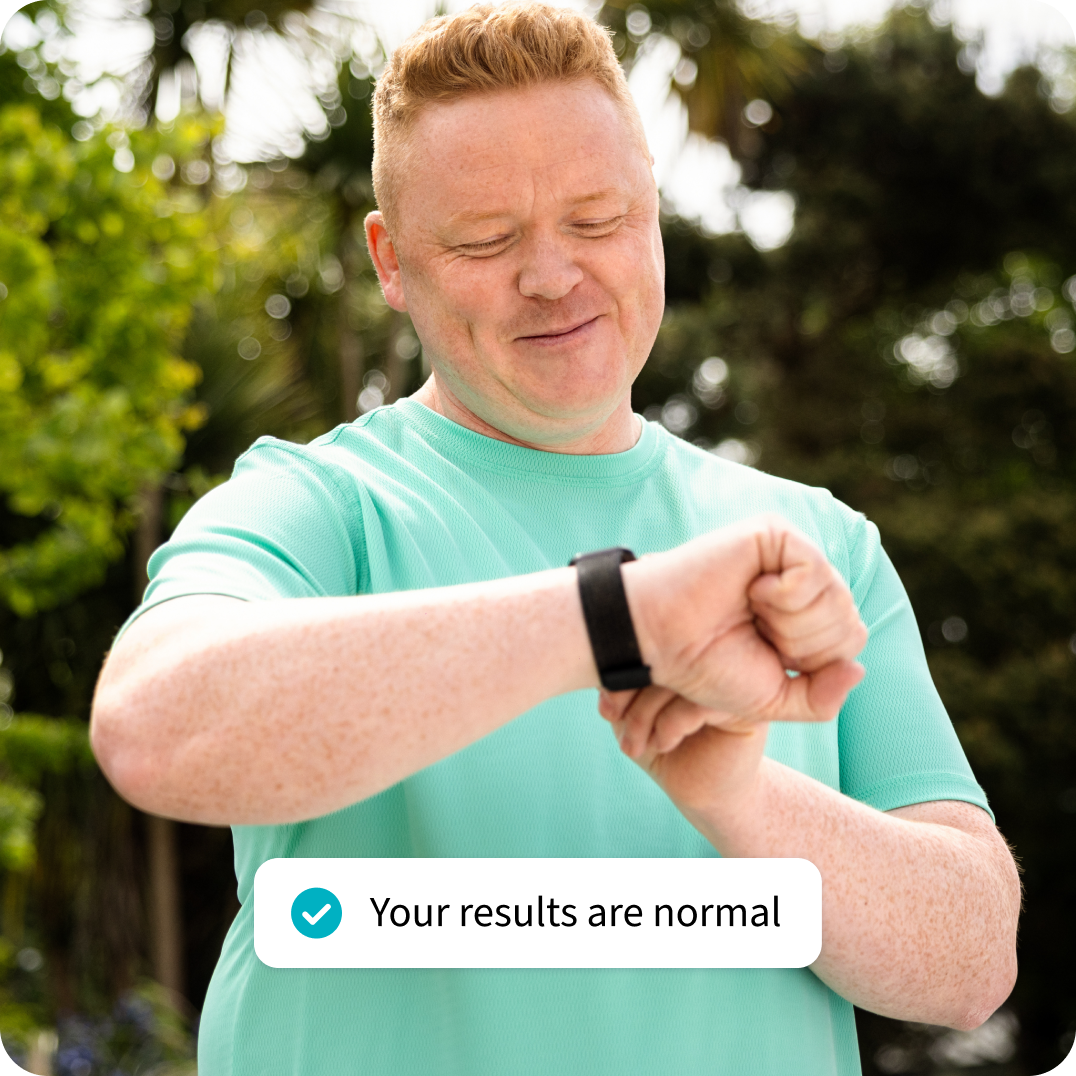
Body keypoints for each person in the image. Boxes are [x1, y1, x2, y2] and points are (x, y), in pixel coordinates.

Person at [89, 5, 1021, 1074]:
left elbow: (968, 961)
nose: (550, 274)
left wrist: (737, 795)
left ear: (653, 212)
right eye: (485, 238)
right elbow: (152, 730)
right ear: (392, 262)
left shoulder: (821, 542)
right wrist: (611, 617)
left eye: (595, 219)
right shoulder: (314, 504)